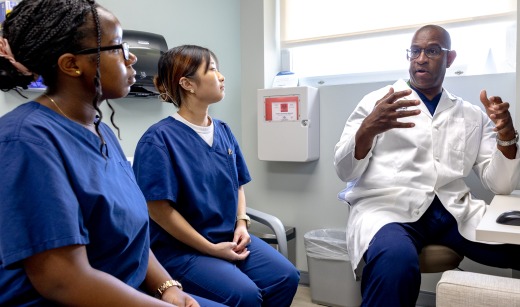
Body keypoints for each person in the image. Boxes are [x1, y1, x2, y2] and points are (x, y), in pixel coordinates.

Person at [334, 24, 520, 306]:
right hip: (389, 210)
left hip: (451, 211)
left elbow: (500, 184)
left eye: (432, 50)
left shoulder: (469, 114)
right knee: (395, 261)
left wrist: (506, 137)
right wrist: (367, 130)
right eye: (415, 51)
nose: (421, 58)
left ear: (449, 58)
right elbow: (345, 170)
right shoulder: (377, 103)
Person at [0, 1, 227, 306]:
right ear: (71, 64)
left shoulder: (101, 130)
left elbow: (129, 234)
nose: (131, 57)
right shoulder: (26, 140)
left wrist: (169, 288)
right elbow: (63, 280)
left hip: (131, 292)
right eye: (117, 47)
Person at [132, 45, 300, 307]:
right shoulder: (158, 140)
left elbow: (238, 184)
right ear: (188, 84)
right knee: (244, 295)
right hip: (180, 250)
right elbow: (158, 209)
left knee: (286, 277)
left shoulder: (223, 130)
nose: (221, 77)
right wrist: (209, 249)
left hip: (228, 236)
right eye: (212, 70)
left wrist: (242, 224)